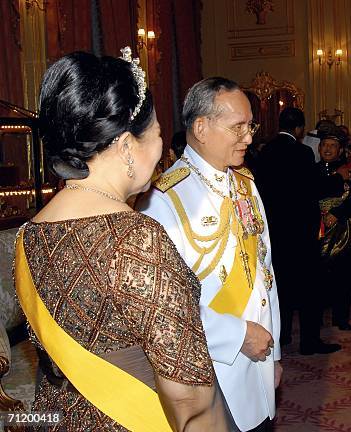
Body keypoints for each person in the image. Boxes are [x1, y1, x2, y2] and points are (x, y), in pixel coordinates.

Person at [14, 49, 227, 431]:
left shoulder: (30, 233)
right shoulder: (136, 239)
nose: (162, 148)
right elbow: (191, 402)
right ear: (128, 146)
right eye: (159, 135)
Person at [139, 77, 280, 432]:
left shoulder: (245, 184)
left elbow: (266, 272)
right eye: (238, 127)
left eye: (251, 126)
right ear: (201, 127)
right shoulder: (163, 200)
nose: (248, 137)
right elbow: (162, 307)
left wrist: (274, 355)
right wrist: (237, 336)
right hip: (209, 370)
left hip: (258, 358)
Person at [256, 107, 341, 355]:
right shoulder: (303, 153)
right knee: (308, 289)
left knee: (280, 287)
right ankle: (309, 341)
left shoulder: (265, 152)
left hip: (275, 232)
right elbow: (313, 188)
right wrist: (339, 179)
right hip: (302, 233)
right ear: (300, 128)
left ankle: (281, 338)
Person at [316, 133, 351, 331]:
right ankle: (317, 316)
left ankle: (341, 317)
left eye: (332, 145)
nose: (327, 149)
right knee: (318, 277)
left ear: (340, 150)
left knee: (342, 275)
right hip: (317, 230)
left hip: (342, 231)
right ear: (319, 149)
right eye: (324, 145)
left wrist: (336, 213)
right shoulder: (312, 171)